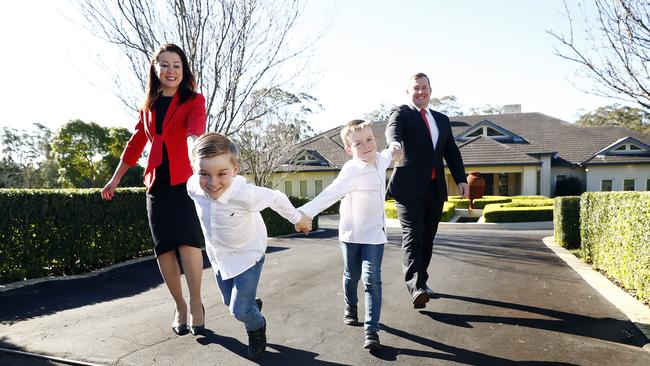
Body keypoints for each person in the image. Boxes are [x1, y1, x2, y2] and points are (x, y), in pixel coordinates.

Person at [101, 44, 207, 336]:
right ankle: (180, 306)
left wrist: (193, 152)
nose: (171, 70)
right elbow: (135, 143)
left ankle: (197, 304)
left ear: (183, 70)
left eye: (177, 65)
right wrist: (115, 179)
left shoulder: (194, 100)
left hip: (184, 179)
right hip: (157, 183)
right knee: (164, 250)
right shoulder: (148, 104)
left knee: (188, 244)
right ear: (155, 68)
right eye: (165, 64)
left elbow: (194, 130)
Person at [186, 132, 312, 359]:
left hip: (248, 256)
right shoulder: (194, 186)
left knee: (239, 310)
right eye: (204, 174)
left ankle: (256, 326)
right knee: (228, 301)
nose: (213, 183)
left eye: (222, 174)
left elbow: (276, 198)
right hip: (220, 257)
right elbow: (191, 151)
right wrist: (192, 140)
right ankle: (252, 305)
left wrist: (298, 219)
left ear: (235, 170)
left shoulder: (245, 194)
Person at [298, 119, 401, 351]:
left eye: (369, 139)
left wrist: (395, 147)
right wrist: (304, 214)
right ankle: (350, 306)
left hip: (374, 236)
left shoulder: (379, 161)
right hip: (351, 236)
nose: (366, 146)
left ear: (375, 140)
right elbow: (330, 194)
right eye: (358, 143)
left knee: (372, 280)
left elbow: (390, 153)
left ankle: (371, 330)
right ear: (349, 149)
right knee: (351, 275)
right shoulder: (351, 170)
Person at [385, 72, 469, 310]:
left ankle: (422, 280)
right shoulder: (401, 113)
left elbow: (451, 152)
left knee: (428, 238)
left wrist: (461, 179)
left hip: (435, 188)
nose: (420, 91)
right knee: (413, 236)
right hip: (408, 188)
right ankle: (417, 287)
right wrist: (394, 145)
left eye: (424, 87)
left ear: (430, 91)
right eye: (416, 88)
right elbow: (393, 131)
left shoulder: (441, 119)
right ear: (408, 92)